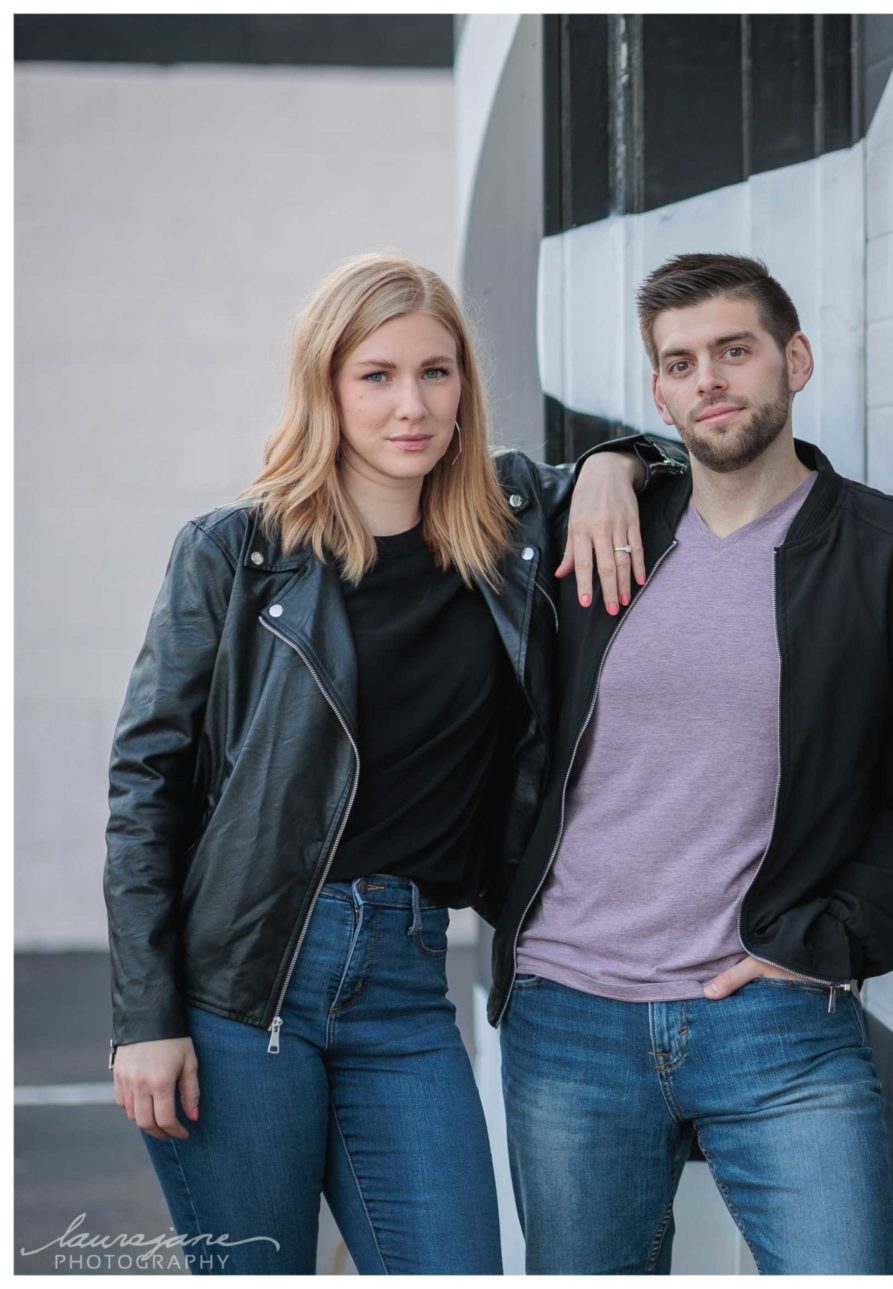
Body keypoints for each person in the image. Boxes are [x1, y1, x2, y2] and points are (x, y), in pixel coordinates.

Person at [104, 252, 645, 1274]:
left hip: (404, 976)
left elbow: (685, 456)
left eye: (437, 373)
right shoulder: (235, 552)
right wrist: (145, 1016)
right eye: (378, 375)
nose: (413, 404)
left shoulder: (511, 532)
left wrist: (618, 462)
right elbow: (147, 787)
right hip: (245, 985)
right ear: (328, 387)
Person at [486, 253, 893, 1274]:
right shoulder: (600, 530)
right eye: (681, 361)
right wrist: (609, 459)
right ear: (658, 389)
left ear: (795, 360)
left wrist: (829, 945)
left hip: (778, 1017)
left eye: (735, 351)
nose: (710, 379)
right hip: (571, 1013)